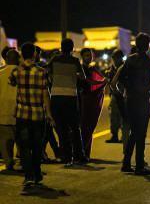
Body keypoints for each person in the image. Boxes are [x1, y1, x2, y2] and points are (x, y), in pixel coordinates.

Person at [9, 43, 55, 185]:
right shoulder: (42, 72)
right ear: (35, 54)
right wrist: (49, 114)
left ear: (22, 54)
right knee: (37, 146)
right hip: (38, 115)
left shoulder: (16, 72)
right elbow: (45, 94)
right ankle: (37, 173)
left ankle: (28, 176)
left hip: (22, 115)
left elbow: (11, 83)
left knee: (24, 146)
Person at [114, 33, 150, 176]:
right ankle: (139, 166)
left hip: (131, 100)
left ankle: (126, 163)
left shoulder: (130, 60)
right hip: (142, 100)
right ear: (146, 45)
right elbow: (148, 79)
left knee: (134, 132)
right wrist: (149, 92)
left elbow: (121, 78)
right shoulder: (146, 60)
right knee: (141, 134)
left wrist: (130, 87)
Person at [47, 38, 89, 166]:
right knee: (75, 127)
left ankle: (67, 155)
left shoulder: (53, 60)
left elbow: (49, 74)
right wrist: (72, 75)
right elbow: (83, 77)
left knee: (62, 127)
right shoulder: (75, 61)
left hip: (56, 96)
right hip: (71, 95)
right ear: (72, 48)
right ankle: (80, 154)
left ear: (61, 47)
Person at [78, 48, 108, 159]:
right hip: (84, 100)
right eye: (86, 55)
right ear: (82, 57)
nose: (89, 57)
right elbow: (89, 81)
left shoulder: (91, 69)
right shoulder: (81, 69)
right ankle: (80, 151)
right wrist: (102, 82)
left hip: (89, 99)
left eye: (90, 55)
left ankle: (84, 151)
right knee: (84, 125)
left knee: (89, 125)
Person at [0, 49, 20, 170]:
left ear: (6, 60)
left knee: (4, 139)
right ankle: (23, 159)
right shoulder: (22, 73)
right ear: (18, 59)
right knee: (20, 138)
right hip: (19, 110)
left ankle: (8, 161)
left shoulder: (0, 73)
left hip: (2, 110)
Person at [105, 49, 126, 143]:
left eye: (117, 58)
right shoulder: (111, 68)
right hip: (114, 94)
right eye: (114, 58)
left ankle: (123, 135)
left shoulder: (125, 67)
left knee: (123, 116)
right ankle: (114, 135)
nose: (115, 60)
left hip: (123, 94)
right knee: (113, 115)